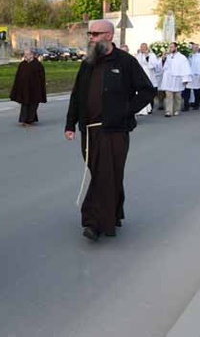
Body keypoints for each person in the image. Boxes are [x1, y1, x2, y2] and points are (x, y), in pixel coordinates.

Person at [65, 20, 154, 241]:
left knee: (106, 174)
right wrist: (70, 124)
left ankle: (94, 222)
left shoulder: (125, 62)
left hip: (114, 131)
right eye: (90, 34)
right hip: (89, 131)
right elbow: (77, 95)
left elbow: (147, 91)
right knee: (103, 174)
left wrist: (126, 110)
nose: (91, 37)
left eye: (95, 34)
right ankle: (114, 213)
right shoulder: (87, 63)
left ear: (108, 35)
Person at [9, 48, 47, 126]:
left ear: (32, 55)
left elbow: (42, 78)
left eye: (27, 54)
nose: (25, 56)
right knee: (25, 104)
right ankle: (24, 120)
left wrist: (40, 88)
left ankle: (29, 120)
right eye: (25, 55)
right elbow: (18, 76)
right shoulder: (22, 64)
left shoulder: (38, 65)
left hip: (34, 89)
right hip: (24, 88)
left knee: (33, 104)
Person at [159, 42, 191, 117]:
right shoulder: (168, 57)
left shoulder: (182, 57)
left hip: (177, 79)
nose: (170, 49)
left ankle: (176, 109)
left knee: (177, 96)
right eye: (170, 47)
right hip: (168, 79)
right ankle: (168, 111)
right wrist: (163, 59)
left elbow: (185, 68)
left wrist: (185, 79)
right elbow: (161, 67)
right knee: (168, 96)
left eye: (172, 47)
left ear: (176, 48)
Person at [135, 43, 161, 115]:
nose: (142, 49)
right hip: (140, 74)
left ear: (147, 48)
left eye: (144, 47)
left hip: (149, 74)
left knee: (149, 90)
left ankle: (150, 107)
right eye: (141, 47)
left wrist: (147, 57)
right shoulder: (138, 55)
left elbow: (154, 65)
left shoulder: (151, 55)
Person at [182, 43, 200, 111]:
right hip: (189, 75)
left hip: (197, 76)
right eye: (194, 47)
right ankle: (186, 106)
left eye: (196, 47)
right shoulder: (188, 55)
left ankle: (196, 104)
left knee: (197, 91)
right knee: (187, 91)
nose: (195, 49)